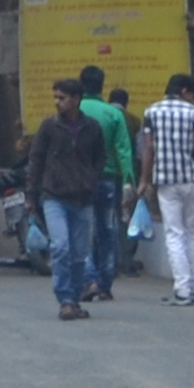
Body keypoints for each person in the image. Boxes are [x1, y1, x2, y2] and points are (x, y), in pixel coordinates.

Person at [27, 73, 117, 320]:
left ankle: (75, 299)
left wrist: (91, 179)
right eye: (55, 97)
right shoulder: (48, 127)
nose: (57, 102)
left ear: (76, 99)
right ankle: (65, 299)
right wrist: (31, 195)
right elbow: (36, 161)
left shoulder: (92, 128)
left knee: (79, 254)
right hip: (54, 196)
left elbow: (100, 158)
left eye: (62, 98)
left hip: (83, 198)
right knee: (60, 246)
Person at [144, 71, 194, 304]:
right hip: (192, 180)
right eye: (192, 94)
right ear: (184, 91)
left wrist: (145, 179)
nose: (193, 99)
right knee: (193, 231)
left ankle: (182, 289)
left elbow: (148, 149)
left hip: (166, 182)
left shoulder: (151, 113)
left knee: (174, 233)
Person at [81, 81, 138, 297]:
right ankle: (105, 283)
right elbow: (124, 149)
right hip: (109, 178)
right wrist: (128, 179)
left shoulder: (74, 111)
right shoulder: (113, 114)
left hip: (80, 180)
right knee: (107, 228)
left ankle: (89, 278)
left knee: (82, 229)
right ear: (101, 86)